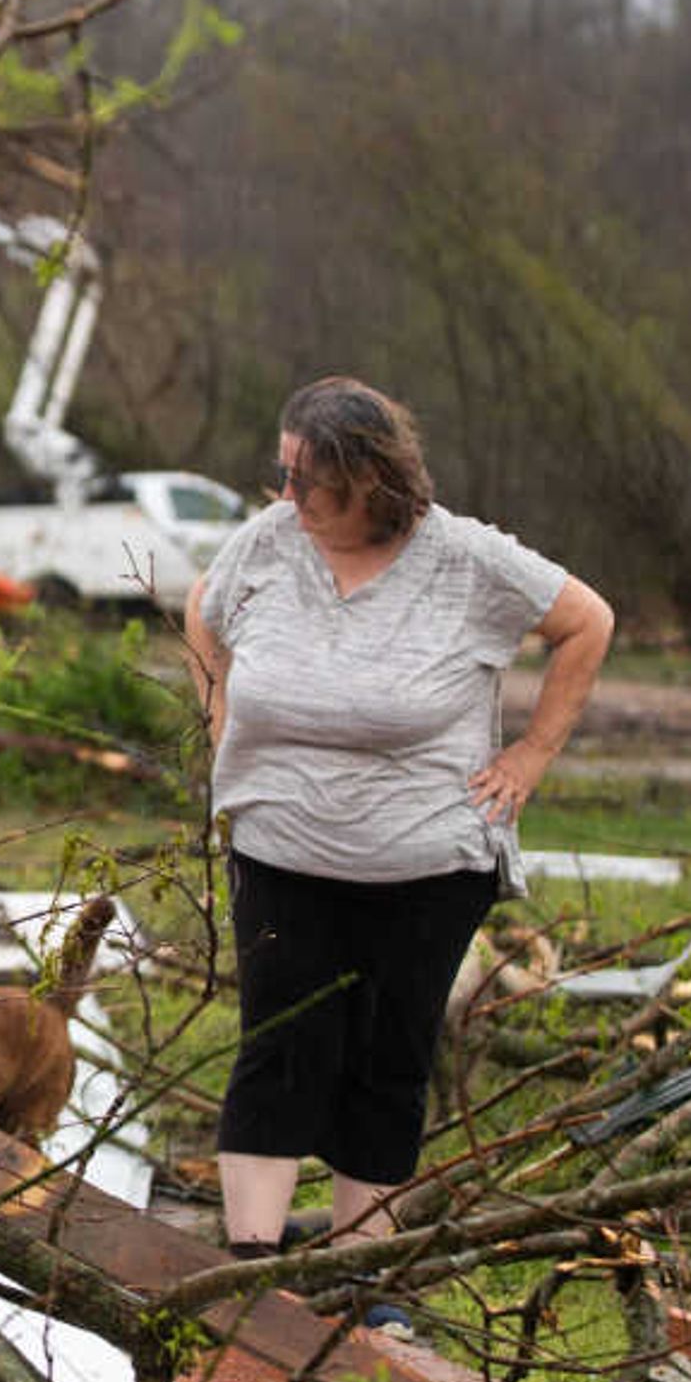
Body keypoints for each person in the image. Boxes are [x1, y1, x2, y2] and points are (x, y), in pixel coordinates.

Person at [183, 376, 614, 1256]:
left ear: (370, 480)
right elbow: (203, 608)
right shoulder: (268, 541)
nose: (289, 496)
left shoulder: (463, 559)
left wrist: (530, 755)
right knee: (279, 1045)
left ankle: (361, 1270)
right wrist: (217, 706)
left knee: (386, 1057)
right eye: (284, 472)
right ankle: (250, 1263)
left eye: (310, 480)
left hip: (425, 867)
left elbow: (588, 621)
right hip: (280, 849)